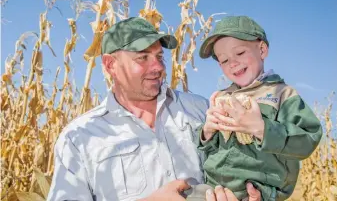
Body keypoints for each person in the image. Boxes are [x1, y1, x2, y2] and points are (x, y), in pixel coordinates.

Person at [47, 17, 261, 201]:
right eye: (142, 57)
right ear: (110, 64)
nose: (158, 67)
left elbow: (238, 166)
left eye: (159, 57)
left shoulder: (200, 109)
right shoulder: (79, 137)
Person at [197, 15, 323, 201]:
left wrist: (261, 128)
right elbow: (208, 149)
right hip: (215, 187)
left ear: (262, 50)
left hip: (256, 191)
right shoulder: (222, 97)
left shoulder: (281, 94)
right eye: (224, 60)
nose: (232, 63)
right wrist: (207, 132)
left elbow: (309, 138)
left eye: (239, 53)